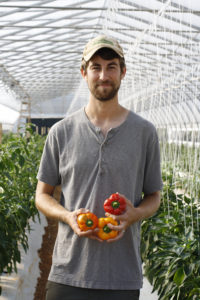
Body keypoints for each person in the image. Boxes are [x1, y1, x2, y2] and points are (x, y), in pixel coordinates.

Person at [35, 34, 163, 300]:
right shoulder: (61, 132)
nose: (104, 75)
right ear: (84, 72)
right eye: (96, 67)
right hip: (67, 273)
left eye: (111, 66)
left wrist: (135, 214)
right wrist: (68, 216)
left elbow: (154, 196)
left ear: (123, 72)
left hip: (121, 277)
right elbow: (42, 195)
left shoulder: (144, 133)